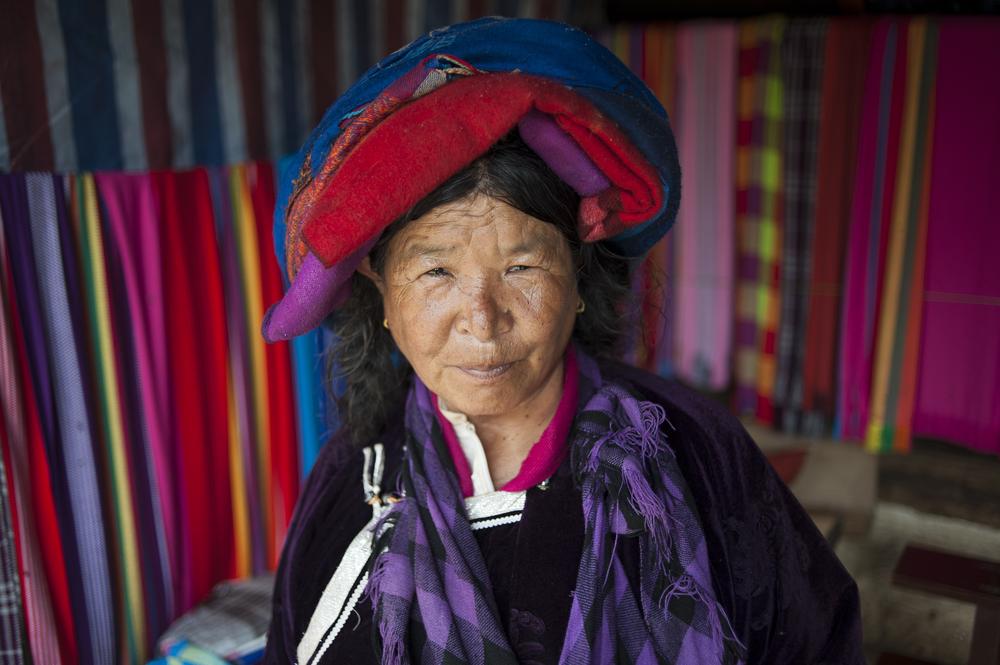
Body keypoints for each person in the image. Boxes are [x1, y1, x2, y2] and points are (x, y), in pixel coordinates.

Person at [260, 17, 864, 665]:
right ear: (381, 291)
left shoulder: (695, 447)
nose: (483, 321)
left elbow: (816, 643)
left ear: (580, 276)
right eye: (436, 272)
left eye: (522, 268)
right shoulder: (350, 477)